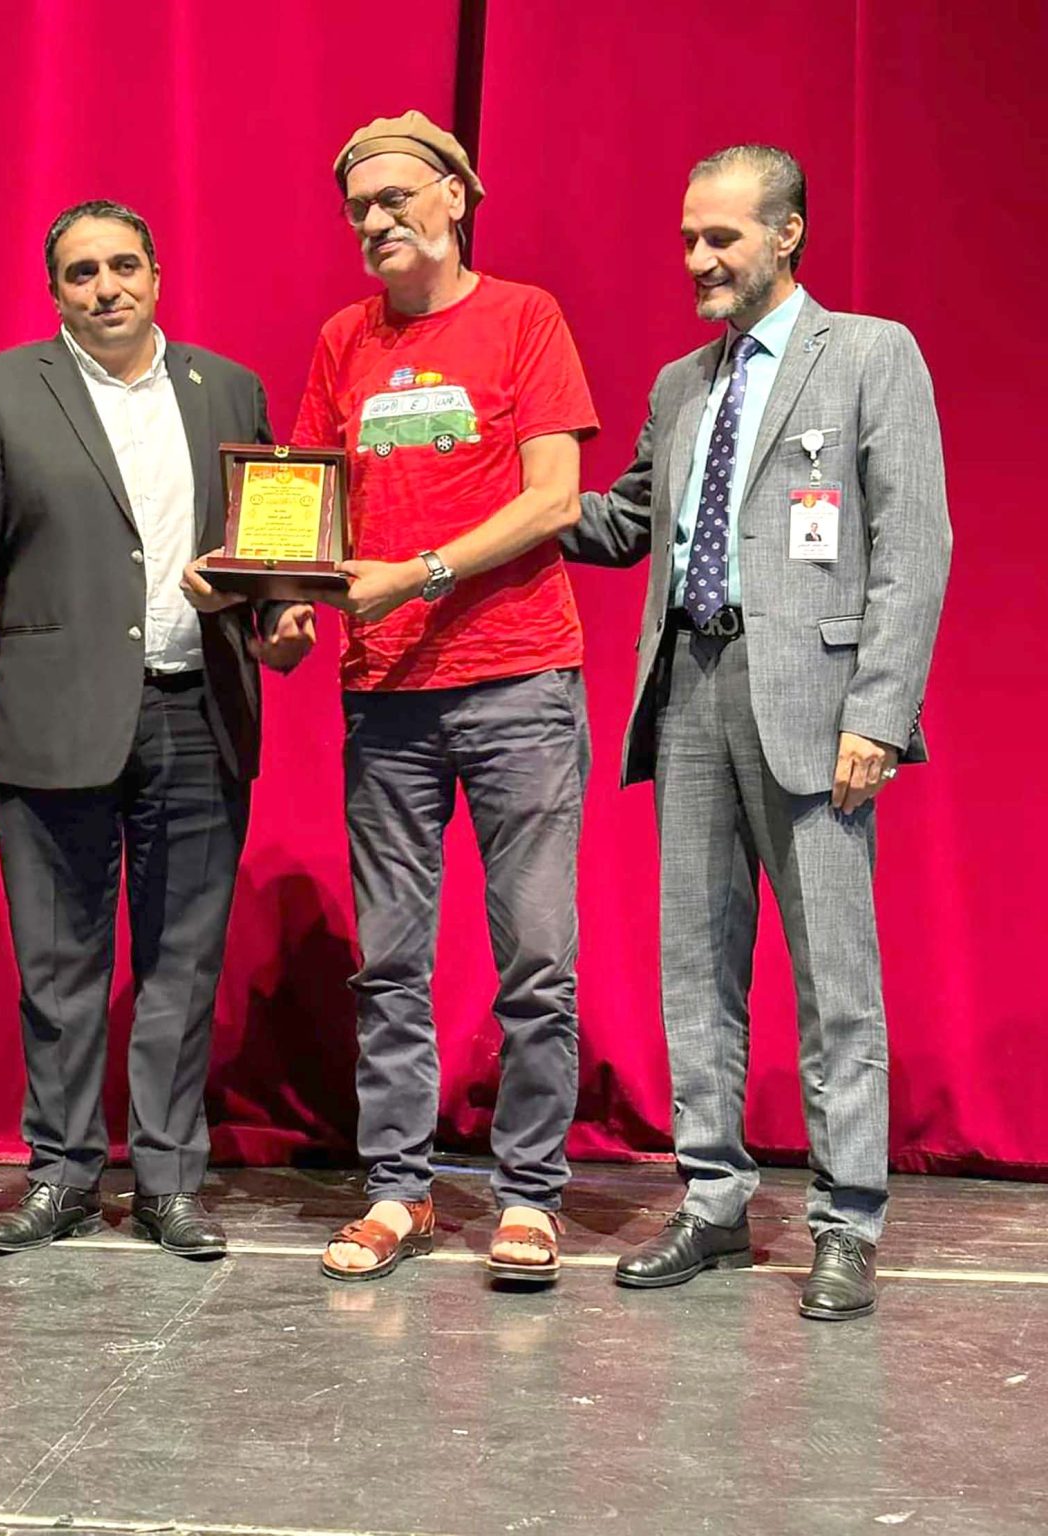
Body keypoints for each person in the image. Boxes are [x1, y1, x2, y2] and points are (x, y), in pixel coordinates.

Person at [187, 110, 597, 1284]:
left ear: (456, 197)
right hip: (386, 697)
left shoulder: (525, 317)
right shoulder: (344, 341)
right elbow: (307, 512)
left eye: (396, 197)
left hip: (518, 679)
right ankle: (399, 1191)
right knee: (391, 962)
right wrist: (280, 603)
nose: (375, 221)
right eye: (358, 208)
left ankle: (529, 1195)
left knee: (536, 960)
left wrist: (416, 574)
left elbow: (556, 499)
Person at [562, 145, 950, 1319]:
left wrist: (878, 712)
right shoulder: (682, 383)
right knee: (695, 962)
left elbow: (914, 543)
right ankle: (713, 1198)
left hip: (815, 706)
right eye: (688, 237)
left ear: (787, 234)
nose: (697, 258)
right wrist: (501, 497)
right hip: (689, 687)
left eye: (721, 237)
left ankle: (847, 1220)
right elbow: (627, 521)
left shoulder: (870, 353)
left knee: (836, 977)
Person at [0, 200, 313, 1258]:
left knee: (183, 963)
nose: (106, 287)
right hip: (49, 718)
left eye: (123, 265)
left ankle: (169, 1180)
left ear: (157, 275)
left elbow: (267, 549)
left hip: (198, 713)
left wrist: (281, 618)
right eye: (81, 273)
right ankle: (64, 1174)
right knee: (58, 965)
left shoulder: (229, 389)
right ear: (55, 292)